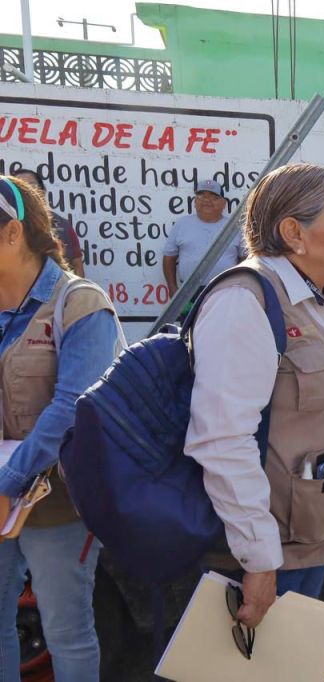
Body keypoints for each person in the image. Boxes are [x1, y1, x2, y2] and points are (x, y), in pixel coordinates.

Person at [185, 163, 324, 627]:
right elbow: (221, 440)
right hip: (269, 554)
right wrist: (259, 558)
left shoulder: (313, 299)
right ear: (294, 232)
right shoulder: (244, 301)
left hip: (308, 538)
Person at [0, 175, 121, 680]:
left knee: (67, 630)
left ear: (12, 234)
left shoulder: (80, 304)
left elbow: (73, 407)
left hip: (58, 505)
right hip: (1, 499)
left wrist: (8, 485)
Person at [162, 179, 245, 297]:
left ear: (224, 203)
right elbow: (169, 258)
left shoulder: (235, 227)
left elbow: (245, 259)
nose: (207, 201)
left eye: (214, 197)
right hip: (187, 293)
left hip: (225, 292)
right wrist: (172, 287)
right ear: (195, 202)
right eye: (201, 196)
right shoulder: (182, 224)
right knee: (190, 317)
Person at [13, 169, 84, 276]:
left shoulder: (62, 225)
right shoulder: (6, 226)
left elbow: (77, 266)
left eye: (32, 186)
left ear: (43, 191)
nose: (26, 191)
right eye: (20, 188)